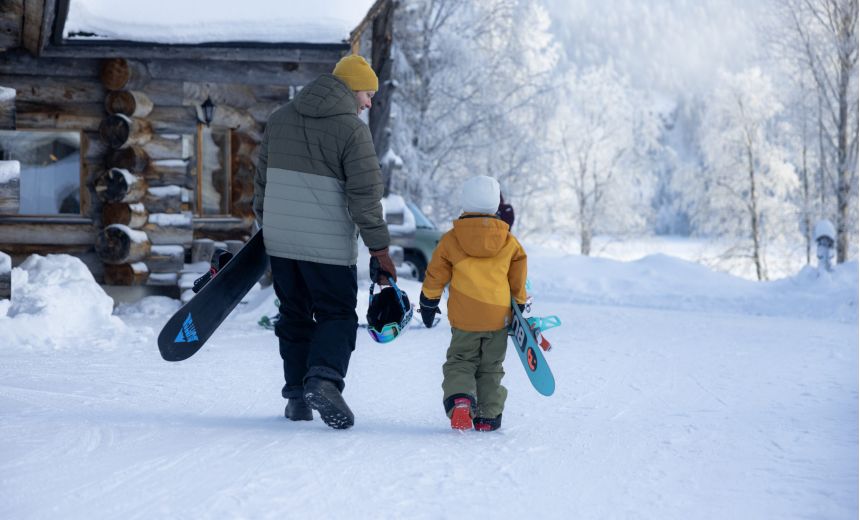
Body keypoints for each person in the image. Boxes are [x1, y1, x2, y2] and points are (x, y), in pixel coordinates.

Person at [254, 54, 397, 430]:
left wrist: (266, 227)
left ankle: (297, 398)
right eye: (367, 94)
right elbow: (365, 197)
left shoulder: (280, 118)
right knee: (336, 314)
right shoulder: (352, 130)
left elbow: (261, 183)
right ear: (352, 89)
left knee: (293, 314)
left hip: (282, 242)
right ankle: (323, 378)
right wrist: (380, 250)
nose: (368, 103)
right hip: (328, 246)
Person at [418, 175, 527, 431]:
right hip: (498, 317)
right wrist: (519, 304)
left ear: (465, 203)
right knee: (491, 367)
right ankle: (488, 417)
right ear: (495, 206)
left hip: (465, 318)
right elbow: (518, 276)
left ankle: (461, 401)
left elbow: (435, 274)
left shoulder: (451, 239)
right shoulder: (509, 242)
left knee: (461, 360)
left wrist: (428, 301)